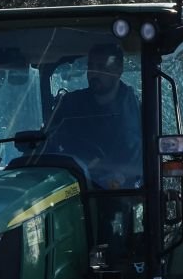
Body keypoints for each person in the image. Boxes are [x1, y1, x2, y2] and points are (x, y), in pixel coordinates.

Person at [44, 42, 141, 189]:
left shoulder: (136, 111)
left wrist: (106, 168)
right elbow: (47, 143)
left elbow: (141, 163)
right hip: (72, 187)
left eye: (102, 67)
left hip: (123, 193)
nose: (94, 73)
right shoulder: (69, 105)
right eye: (91, 66)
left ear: (118, 70)